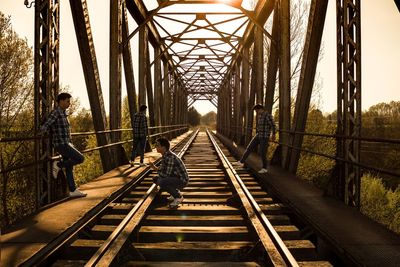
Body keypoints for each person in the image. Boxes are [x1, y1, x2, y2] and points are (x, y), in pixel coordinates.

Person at [40, 93, 86, 197]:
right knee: (80, 158)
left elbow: (66, 131)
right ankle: (58, 165)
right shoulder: (56, 113)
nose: (69, 103)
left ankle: (73, 190)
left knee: (69, 167)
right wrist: (40, 132)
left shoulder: (64, 114)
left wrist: (71, 144)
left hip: (67, 144)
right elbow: (47, 124)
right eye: (67, 101)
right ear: (60, 101)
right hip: (61, 144)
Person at [149, 137, 189, 209]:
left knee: (161, 181)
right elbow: (161, 170)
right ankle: (174, 193)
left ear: (163, 147)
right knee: (156, 179)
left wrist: (159, 177)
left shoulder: (170, 157)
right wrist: (153, 167)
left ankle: (178, 197)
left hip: (182, 180)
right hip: (176, 178)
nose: (156, 147)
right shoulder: (165, 156)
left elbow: (166, 174)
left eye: (158, 145)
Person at [238, 104, 276, 174]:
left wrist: (273, 134)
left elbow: (273, 125)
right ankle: (241, 162)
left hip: (264, 137)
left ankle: (264, 168)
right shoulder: (260, 116)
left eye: (256, 110)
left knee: (262, 153)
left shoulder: (267, 115)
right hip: (258, 135)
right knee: (249, 147)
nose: (256, 112)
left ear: (260, 109)